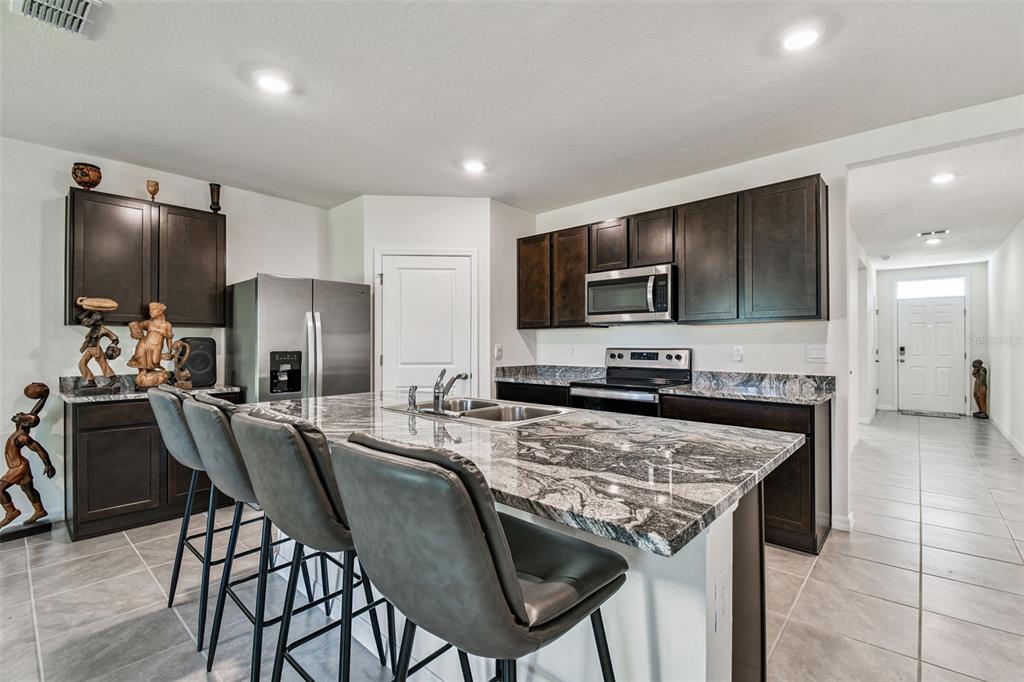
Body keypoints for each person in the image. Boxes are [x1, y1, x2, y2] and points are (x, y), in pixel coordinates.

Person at [1, 384, 55, 528]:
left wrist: (48, 465)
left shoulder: (22, 437)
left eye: (22, 415)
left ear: (24, 422)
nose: (19, 413)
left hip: (18, 467)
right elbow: (35, 412)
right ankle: (40, 511)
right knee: (28, 489)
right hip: (20, 466)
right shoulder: (22, 426)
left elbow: (39, 449)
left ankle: (11, 512)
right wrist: (44, 396)